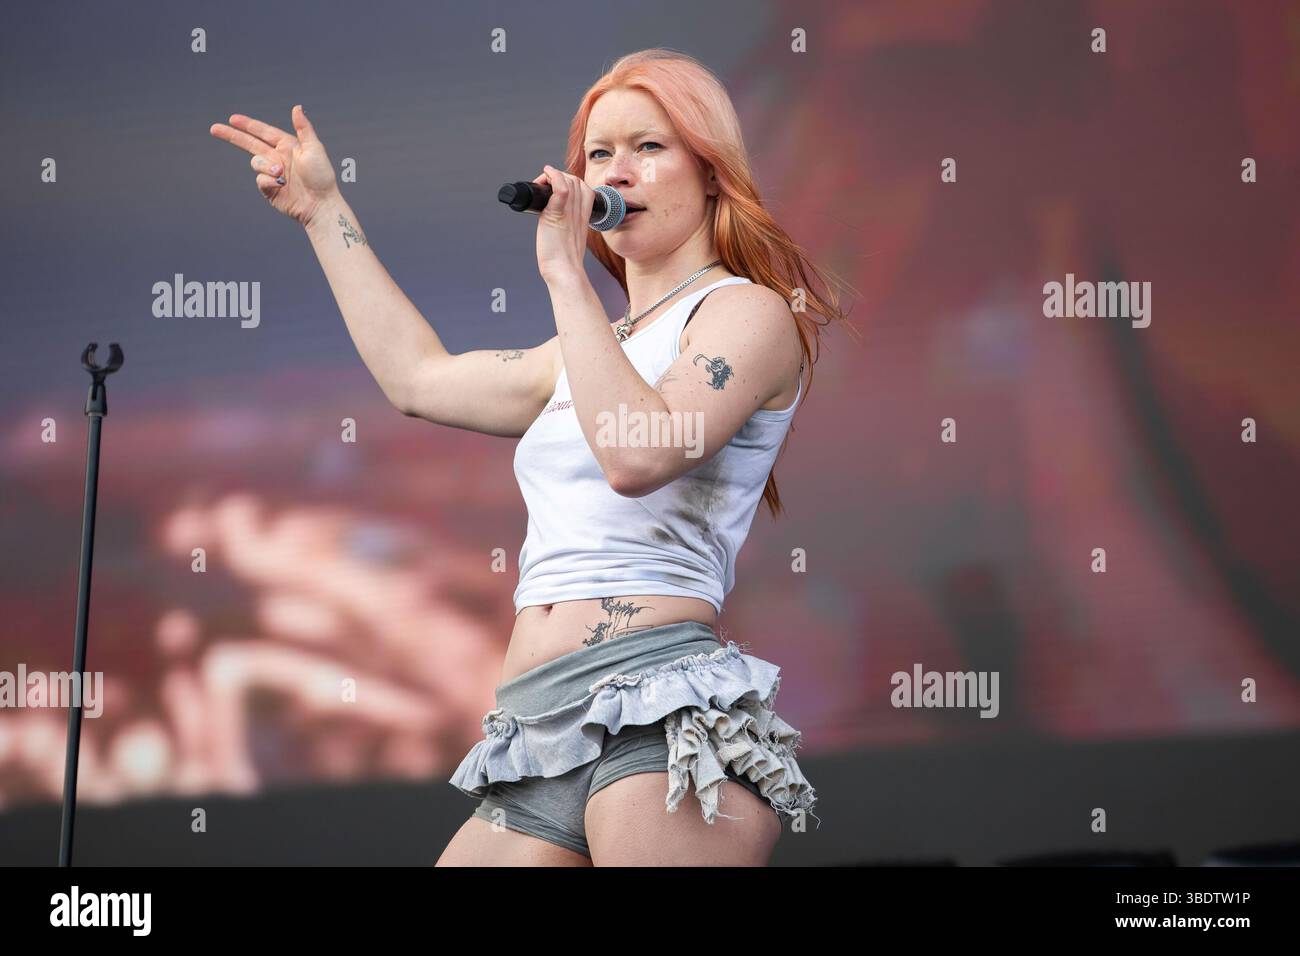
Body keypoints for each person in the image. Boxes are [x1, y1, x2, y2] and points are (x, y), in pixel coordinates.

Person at [210, 47, 848, 866]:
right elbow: (420, 379)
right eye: (600, 153)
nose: (619, 171)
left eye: (650, 147)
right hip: (535, 726)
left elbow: (636, 455)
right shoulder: (585, 353)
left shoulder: (745, 314)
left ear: (713, 172)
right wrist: (323, 210)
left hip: (656, 706)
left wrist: (561, 271)